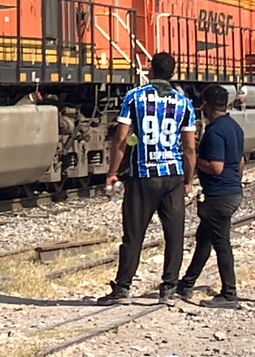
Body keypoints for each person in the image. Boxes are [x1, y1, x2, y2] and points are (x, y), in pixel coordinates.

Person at [98, 53, 195, 306]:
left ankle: (122, 288)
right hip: (173, 175)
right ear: (173, 72)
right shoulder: (184, 103)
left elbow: (121, 138)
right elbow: (189, 148)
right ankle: (169, 288)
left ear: (151, 69)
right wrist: (189, 179)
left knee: (133, 234)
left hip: (143, 174)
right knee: (174, 233)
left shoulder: (134, 97)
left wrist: (112, 172)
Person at [175, 84, 244, 309]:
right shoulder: (235, 127)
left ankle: (229, 294)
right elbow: (240, 162)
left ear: (206, 104)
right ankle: (186, 283)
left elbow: (215, 167)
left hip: (218, 196)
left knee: (221, 243)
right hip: (231, 191)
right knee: (204, 239)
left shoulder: (214, 132)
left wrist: (195, 164)